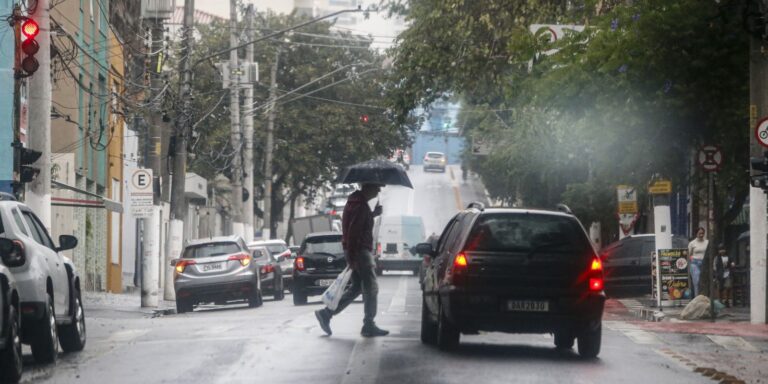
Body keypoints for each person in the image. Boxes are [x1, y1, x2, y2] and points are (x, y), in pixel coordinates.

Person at [315, 183, 389, 337]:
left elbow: (357, 226)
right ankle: (369, 324)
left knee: (356, 288)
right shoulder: (360, 206)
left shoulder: (357, 203)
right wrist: (353, 256)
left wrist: (373, 214)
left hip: (355, 251)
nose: (379, 190)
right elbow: (354, 232)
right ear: (368, 187)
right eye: (377, 187)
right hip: (361, 252)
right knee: (371, 288)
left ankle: (326, 314)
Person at [687, 227, 708, 297]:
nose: (701, 235)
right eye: (700, 233)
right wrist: (691, 260)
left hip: (704, 263)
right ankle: (697, 298)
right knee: (697, 281)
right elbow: (688, 255)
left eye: (702, 233)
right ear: (696, 233)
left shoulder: (707, 242)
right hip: (695, 263)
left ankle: (704, 297)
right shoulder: (692, 243)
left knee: (705, 281)